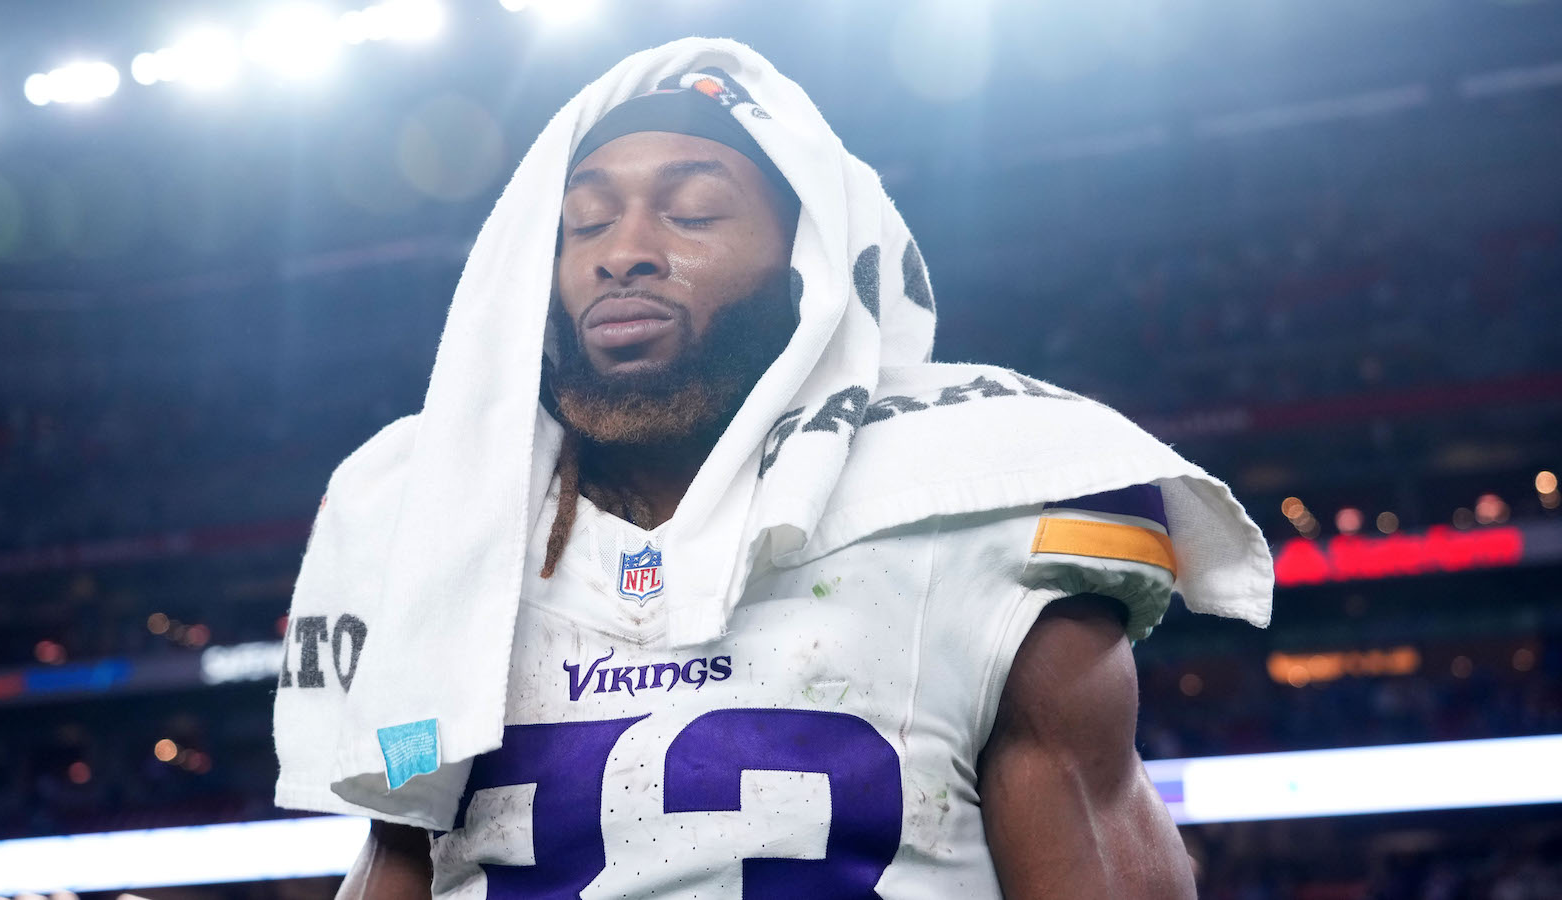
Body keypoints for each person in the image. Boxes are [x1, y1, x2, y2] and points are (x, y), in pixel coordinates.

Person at [273, 38, 1272, 899]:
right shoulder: (431, 522)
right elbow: (396, 858)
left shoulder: (978, 493)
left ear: (812, 272)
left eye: (693, 213)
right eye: (582, 225)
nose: (623, 253)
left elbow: (1095, 854)